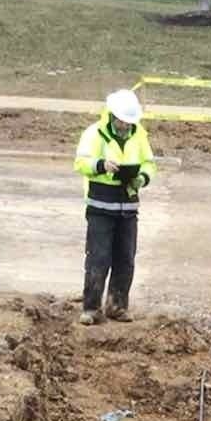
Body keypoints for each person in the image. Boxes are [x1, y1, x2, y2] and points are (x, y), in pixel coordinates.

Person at [73, 88, 156, 324]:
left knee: (125, 258)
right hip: (101, 205)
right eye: (122, 121)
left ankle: (117, 305)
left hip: (128, 206)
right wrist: (101, 165)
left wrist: (141, 178)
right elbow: (80, 162)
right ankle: (91, 308)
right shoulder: (95, 134)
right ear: (112, 116)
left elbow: (149, 164)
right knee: (98, 257)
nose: (125, 126)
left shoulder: (139, 134)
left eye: (129, 122)